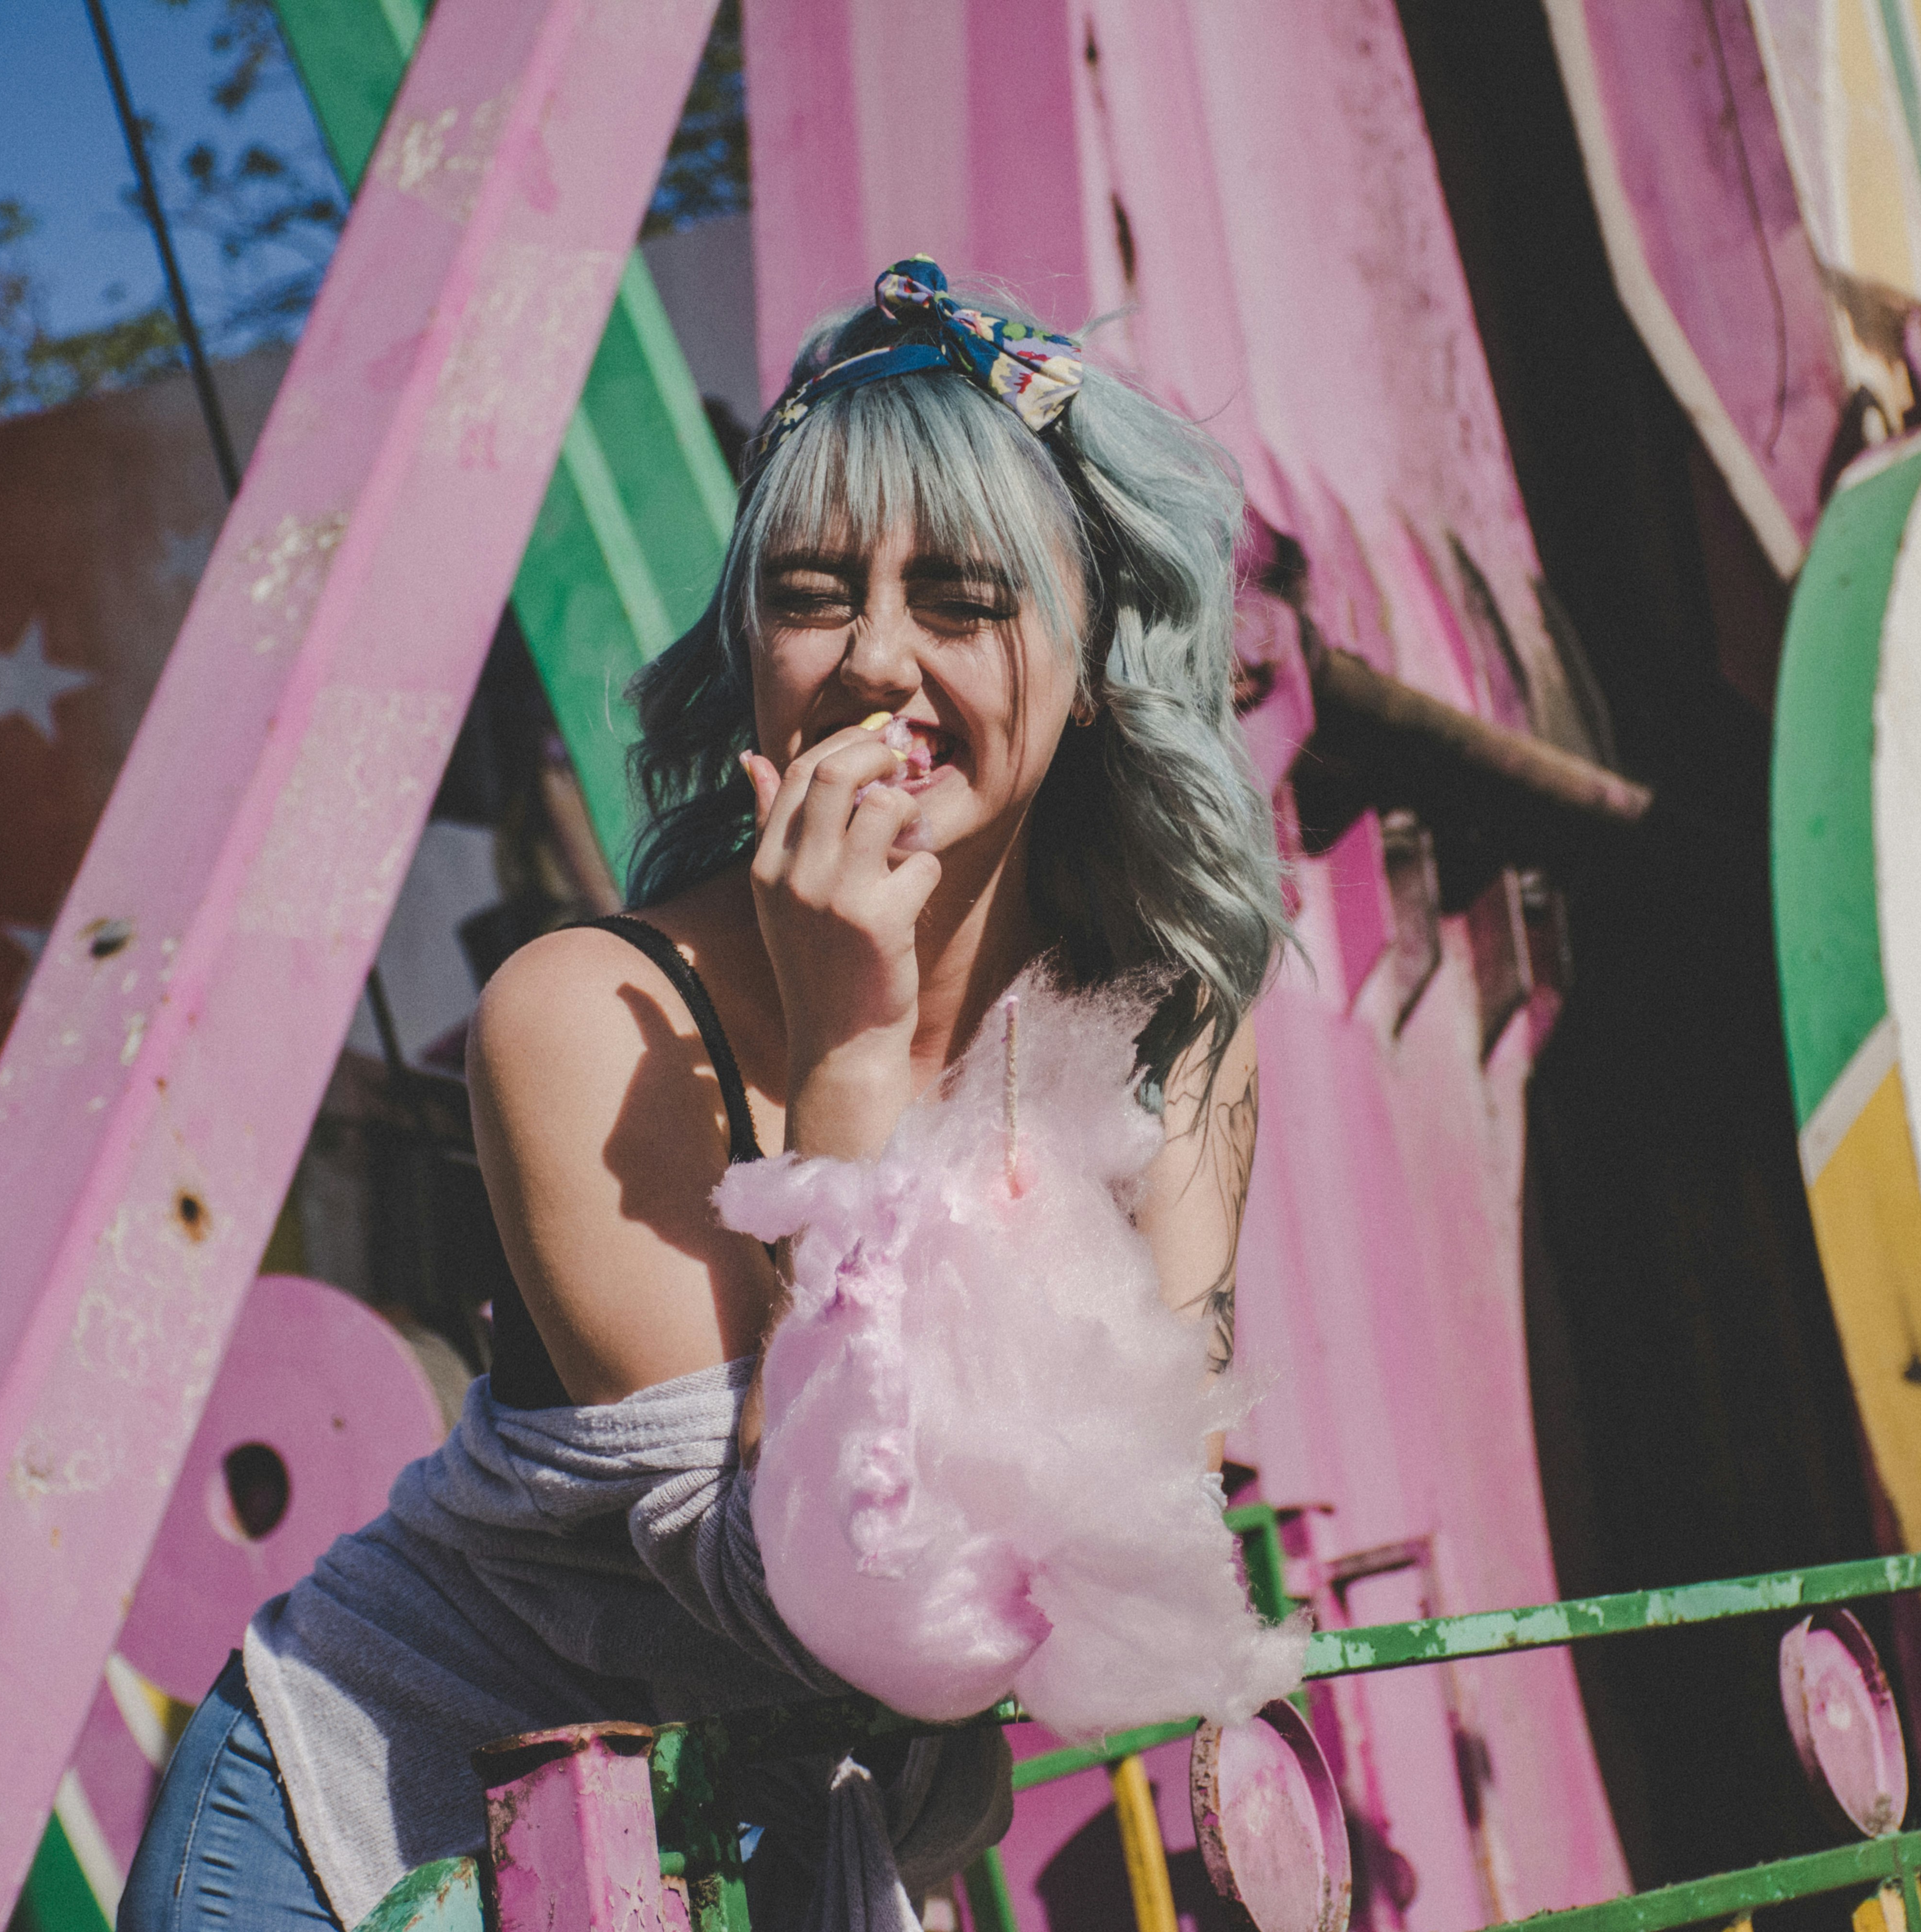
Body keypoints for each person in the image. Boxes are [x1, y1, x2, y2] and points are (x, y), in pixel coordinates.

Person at [118, 259, 1286, 1931]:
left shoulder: (1170, 1034)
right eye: (816, 592)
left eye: (961, 599)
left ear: (1090, 658)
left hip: (731, 1842)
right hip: (380, 1846)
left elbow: (1150, 1561)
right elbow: (841, 1603)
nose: (877, 658)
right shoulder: (584, 1021)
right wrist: (848, 1065)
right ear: (750, 652)